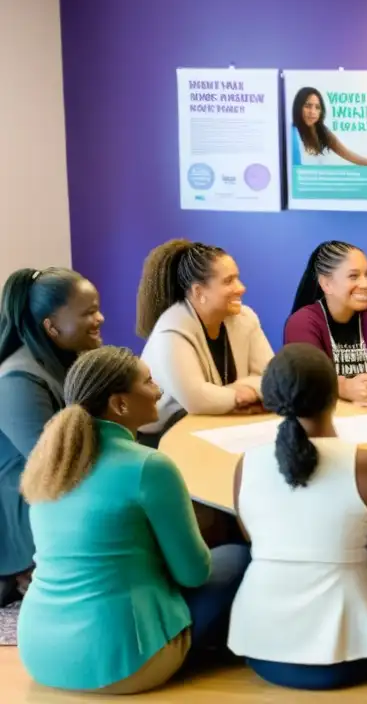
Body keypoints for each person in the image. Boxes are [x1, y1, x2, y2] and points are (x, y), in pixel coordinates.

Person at [16, 346, 249, 694]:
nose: (159, 391)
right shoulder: (149, 466)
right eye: (149, 382)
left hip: (39, 653)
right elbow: (195, 573)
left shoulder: (49, 463)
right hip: (124, 663)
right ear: (120, 404)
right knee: (237, 555)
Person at [228, 343, 367, 690]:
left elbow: (252, 540)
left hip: (262, 651)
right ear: (334, 397)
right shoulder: (364, 465)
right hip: (350, 654)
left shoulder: (246, 464)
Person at [0, 268, 103, 605]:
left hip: (66, 476)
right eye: (88, 312)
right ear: (51, 326)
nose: (100, 318)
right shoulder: (17, 378)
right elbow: (53, 462)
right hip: (28, 494)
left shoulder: (68, 358)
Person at [136, 239, 274, 441]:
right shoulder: (171, 330)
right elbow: (196, 399)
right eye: (229, 281)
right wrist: (239, 395)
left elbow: (273, 378)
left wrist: (230, 395)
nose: (241, 288)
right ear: (199, 292)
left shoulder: (245, 318)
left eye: (238, 278)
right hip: (166, 437)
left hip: (224, 425)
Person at [283, 240, 367, 407]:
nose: (366, 284)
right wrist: (344, 388)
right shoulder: (301, 322)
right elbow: (306, 377)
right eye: (353, 276)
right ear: (326, 284)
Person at [292, 86, 367, 167]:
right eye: (308, 106)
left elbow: (347, 154)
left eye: (317, 107)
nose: (312, 112)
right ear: (298, 106)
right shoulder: (292, 133)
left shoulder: (323, 132)